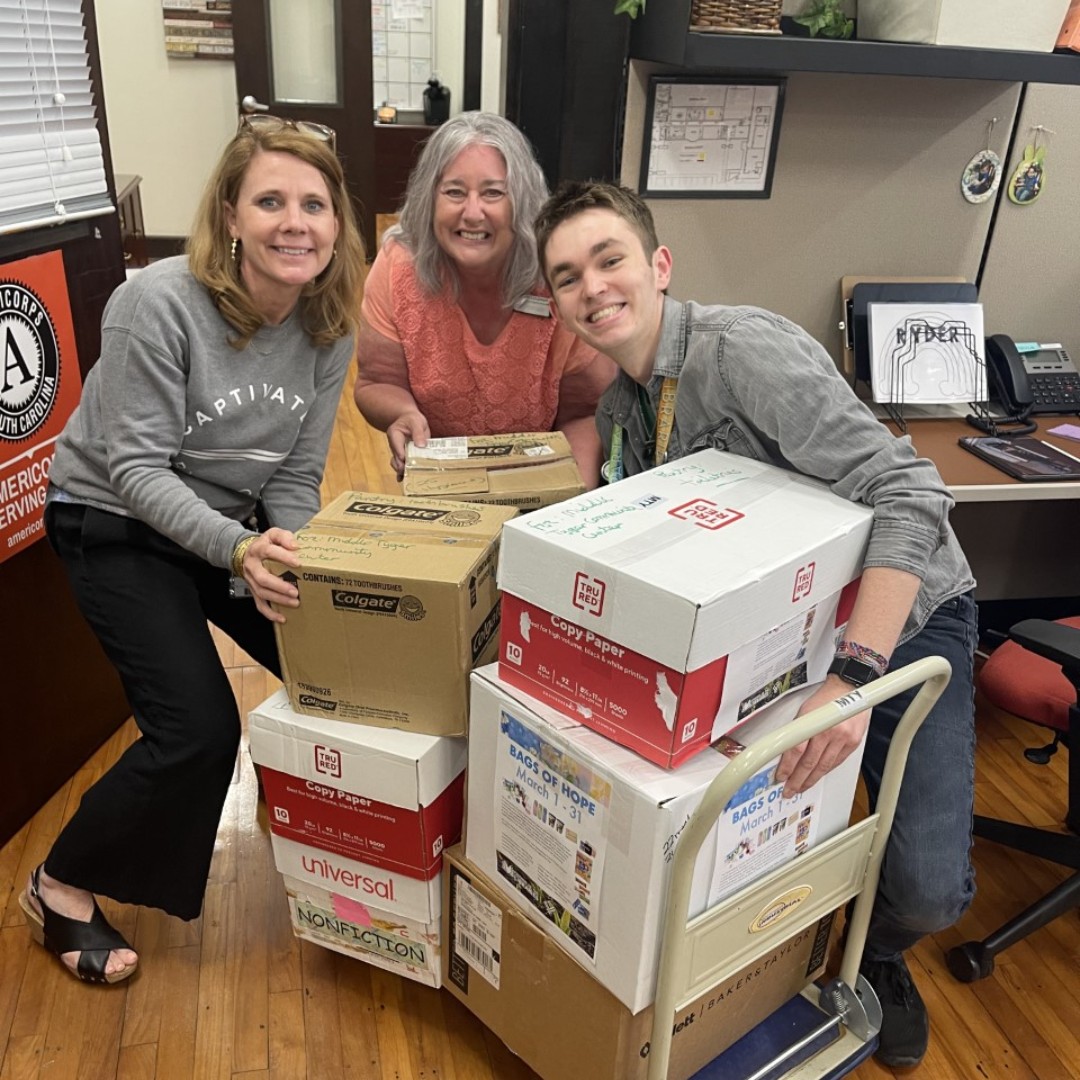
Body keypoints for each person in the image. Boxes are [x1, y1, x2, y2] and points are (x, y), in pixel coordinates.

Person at [535, 181, 977, 1070]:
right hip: (780, 638)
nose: (593, 288)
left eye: (610, 260)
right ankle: (763, 957)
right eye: (568, 277)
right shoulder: (624, 409)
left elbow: (912, 491)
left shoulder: (740, 353)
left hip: (898, 625)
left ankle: (878, 952)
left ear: (659, 264)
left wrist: (853, 681)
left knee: (927, 890)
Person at [18, 116, 364, 984]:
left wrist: (292, 559)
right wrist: (240, 552)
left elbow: (296, 473)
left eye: (315, 204)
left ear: (338, 222)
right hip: (112, 520)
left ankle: (327, 814)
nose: (296, 223)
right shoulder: (160, 302)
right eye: (271, 201)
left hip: (227, 524)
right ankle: (58, 884)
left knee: (343, 662)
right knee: (199, 730)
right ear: (230, 215)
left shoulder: (328, 322)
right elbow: (134, 469)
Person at [354, 112, 616, 486]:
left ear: (522, 201)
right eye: (454, 192)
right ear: (429, 198)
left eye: (493, 192)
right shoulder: (399, 266)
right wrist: (402, 413)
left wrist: (567, 504)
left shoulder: (560, 273)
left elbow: (584, 412)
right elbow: (376, 382)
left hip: (542, 479)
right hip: (444, 480)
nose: (472, 213)